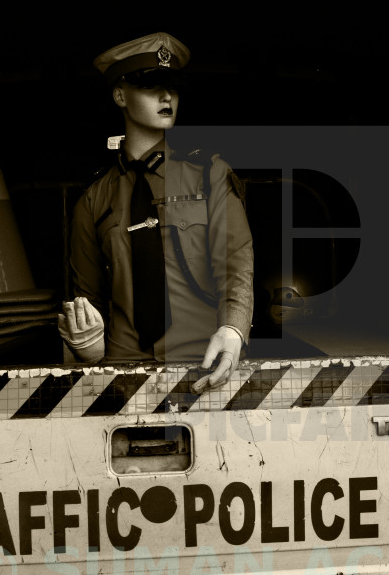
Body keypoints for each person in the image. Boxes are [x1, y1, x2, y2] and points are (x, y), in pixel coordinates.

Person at [61, 32, 254, 392]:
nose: (167, 97)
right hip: (121, 374)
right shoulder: (93, 201)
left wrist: (234, 329)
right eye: (151, 87)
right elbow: (88, 299)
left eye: (173, 88)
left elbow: (236, 266)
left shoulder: (210, 177)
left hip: (206, 364)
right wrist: (86, 348)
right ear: (120, 95)